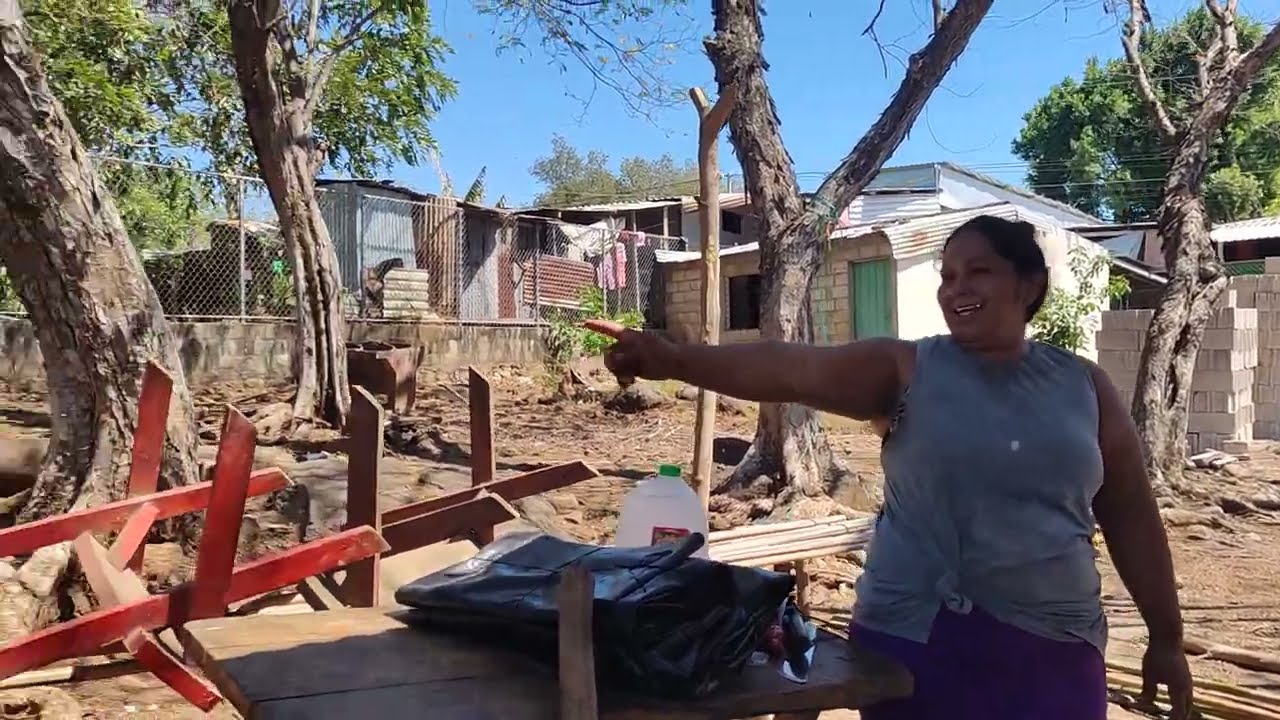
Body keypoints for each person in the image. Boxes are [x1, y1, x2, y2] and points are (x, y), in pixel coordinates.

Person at [584, 214, 1194, 720]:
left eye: (978, 271)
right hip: (920, 641)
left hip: (1056, 645)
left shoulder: (1083, 385)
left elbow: (1131, 513)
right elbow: (788, 367)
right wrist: (672, 358)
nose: (956, 288)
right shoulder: (908, 370)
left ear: (1028, 285)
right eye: (947, 275)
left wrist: (1165, 636)